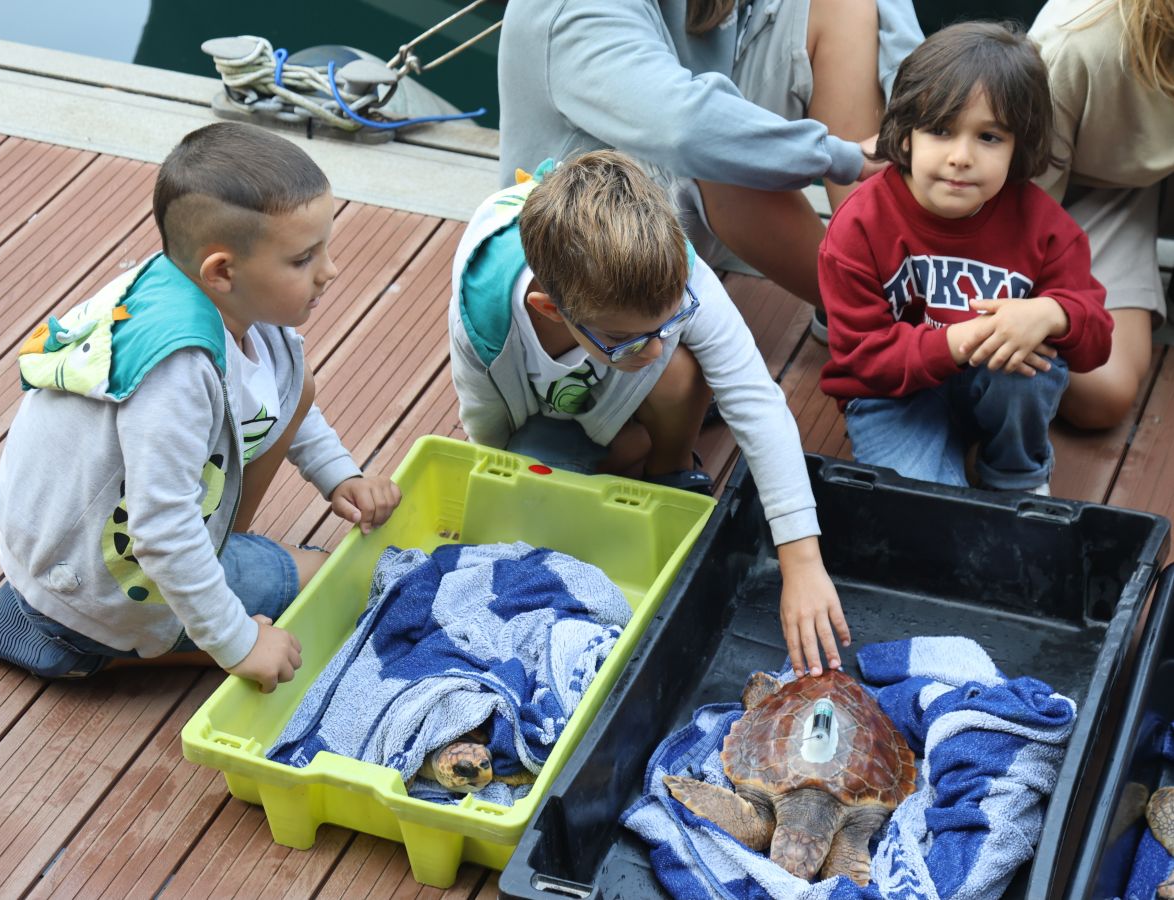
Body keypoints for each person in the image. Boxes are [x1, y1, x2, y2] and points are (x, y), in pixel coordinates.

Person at [0, 122, 401, 692]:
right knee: (332, 589)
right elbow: (161, 529)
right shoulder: (175, 371)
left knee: (298, 383)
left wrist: (338, 474)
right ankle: (76, 641)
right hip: (100, 578)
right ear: (222, 271)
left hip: (73, 548)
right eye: (304, 259)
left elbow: (274, 396)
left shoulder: (217, 301)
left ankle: (88, 622)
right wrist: (239, 644)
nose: (330, 270)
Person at [449, 149, 847, 678]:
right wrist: (502, 498)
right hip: (543, 414)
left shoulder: (667, 263)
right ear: (551, 309)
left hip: (614, 387)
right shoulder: (485, 317)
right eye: (625, 336)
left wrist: (801, 560)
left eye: (669, 321)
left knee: (680, 370)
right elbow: (486, 425)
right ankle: (623, 448)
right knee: (534, 508)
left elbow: (756, 398)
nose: (654, 349)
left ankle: (668, 469)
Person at [497, 0, 924, 331]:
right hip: (586, 250)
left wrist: (928, 107)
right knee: (716, 146)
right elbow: (684, 127)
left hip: (682, 206)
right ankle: (878, 314)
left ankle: (890, 269)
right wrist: (845, 157)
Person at [817, 22, 1114, 493]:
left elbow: (1097, 340)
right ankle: (951, 465)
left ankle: (1012, 472)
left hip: (993, 383)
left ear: (1019, 146)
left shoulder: (1043, 224)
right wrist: (961, 339)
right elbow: (860, 360)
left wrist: (1052, 313)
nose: (961, 156)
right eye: (940, 129)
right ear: (907, 134)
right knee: (926, 511)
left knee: (1031, 366)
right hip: (893, 397)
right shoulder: (858, 226)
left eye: (989, 137)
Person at [1030, 0, 1174, 430]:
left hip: (1153, 171)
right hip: (1083, 190)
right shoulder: (1077, 43)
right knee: (1102, 391)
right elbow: (1021, 213)